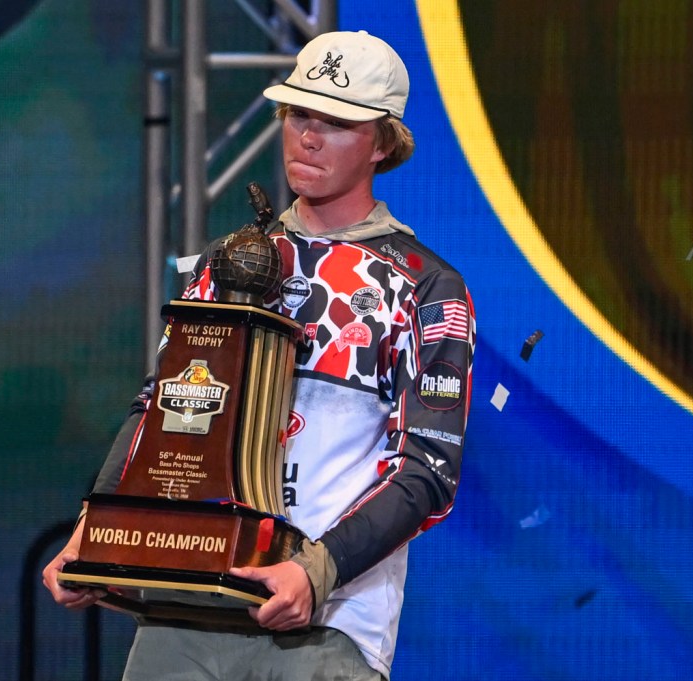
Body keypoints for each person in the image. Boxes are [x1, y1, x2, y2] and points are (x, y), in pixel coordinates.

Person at [43, 29, 475, 680]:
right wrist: (95, 529)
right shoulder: (227, 263)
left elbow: (428, 468)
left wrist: (317, 568)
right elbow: (159, 410)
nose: (309, 136)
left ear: (383, 143)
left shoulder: (425, 287)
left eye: (337, 122)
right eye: (299, 113)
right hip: (184, 603)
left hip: (328, 621)